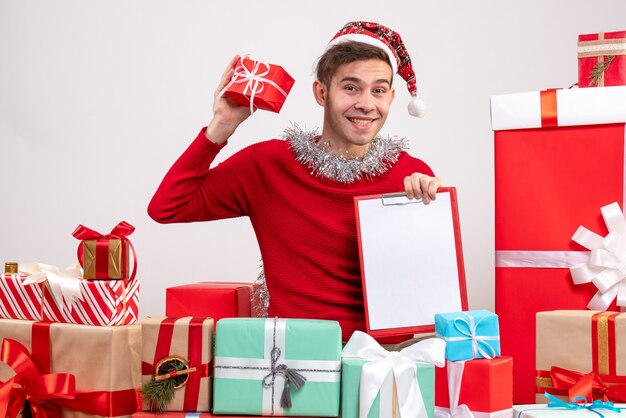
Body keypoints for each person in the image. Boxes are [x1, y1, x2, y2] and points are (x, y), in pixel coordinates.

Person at [148, 21, 443, 344]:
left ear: (392, 96)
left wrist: (430, 211)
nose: (366, 104)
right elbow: (168, 207)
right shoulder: (268, 165)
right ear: (321, 92)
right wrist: (221, 126)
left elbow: (429, 288)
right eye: (350, 87)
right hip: (294, 360)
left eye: (379, 90)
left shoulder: (410, 175)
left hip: (386, 359)